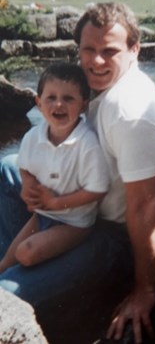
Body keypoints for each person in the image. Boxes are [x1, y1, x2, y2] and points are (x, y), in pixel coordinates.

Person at [0, 2, 155, 343]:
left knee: (6, 298)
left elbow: (146, 204)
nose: (96, 61)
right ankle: (10, 262)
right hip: (80, 206)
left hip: (111, 234)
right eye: (88, 50)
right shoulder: (104, 87)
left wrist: (145, 290)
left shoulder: (129, 112)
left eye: (110, 51)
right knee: (8, 167)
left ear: (135, 49)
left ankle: (15, 282)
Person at [0, 63, 109, 273]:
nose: (59, 105)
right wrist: (28, 187)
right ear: (39, 103)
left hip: (74, 223)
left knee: (26, 253)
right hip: (42, 215)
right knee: (6, 262)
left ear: (83, 105)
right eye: (51, 98)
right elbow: (25, 167)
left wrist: (57, 203)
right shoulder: (33, 137)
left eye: (68, 99)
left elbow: (97, 190)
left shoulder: (87, 143)